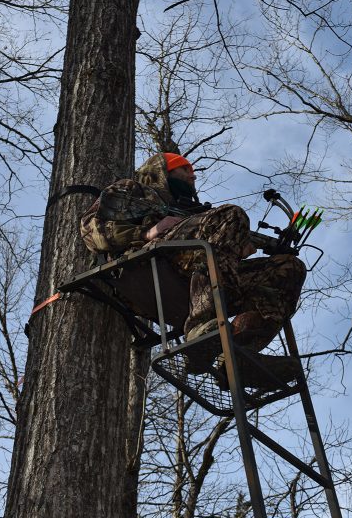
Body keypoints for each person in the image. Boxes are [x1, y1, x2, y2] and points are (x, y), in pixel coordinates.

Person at [80, 153, 306, 371]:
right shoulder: (135, 190)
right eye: (185, 168)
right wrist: (147, 232)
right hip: (147, 267)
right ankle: (202, 329)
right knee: (231, 214)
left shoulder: (193, 210)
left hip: (196, 279)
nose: (193, 175)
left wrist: (237, 245)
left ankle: (237, 356)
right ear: (162, 170)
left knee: (289, 268)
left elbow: (217, 240)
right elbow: (91, 229)